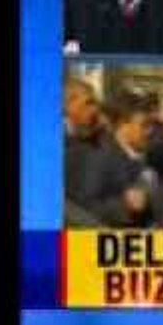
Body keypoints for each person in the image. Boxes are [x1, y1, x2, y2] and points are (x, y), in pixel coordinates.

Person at [77, 91, 160, 227]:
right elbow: (87, 206)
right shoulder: (101, 157)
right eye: (144, 125)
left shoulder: (144, 153)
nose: (150, 131)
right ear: (123, 125)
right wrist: (124, 204)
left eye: (151, 125)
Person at [63, 77, 105, 226]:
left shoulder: (88, 137)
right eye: (88, 103)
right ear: (68, 104)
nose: (94, 110)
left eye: (95, 104)